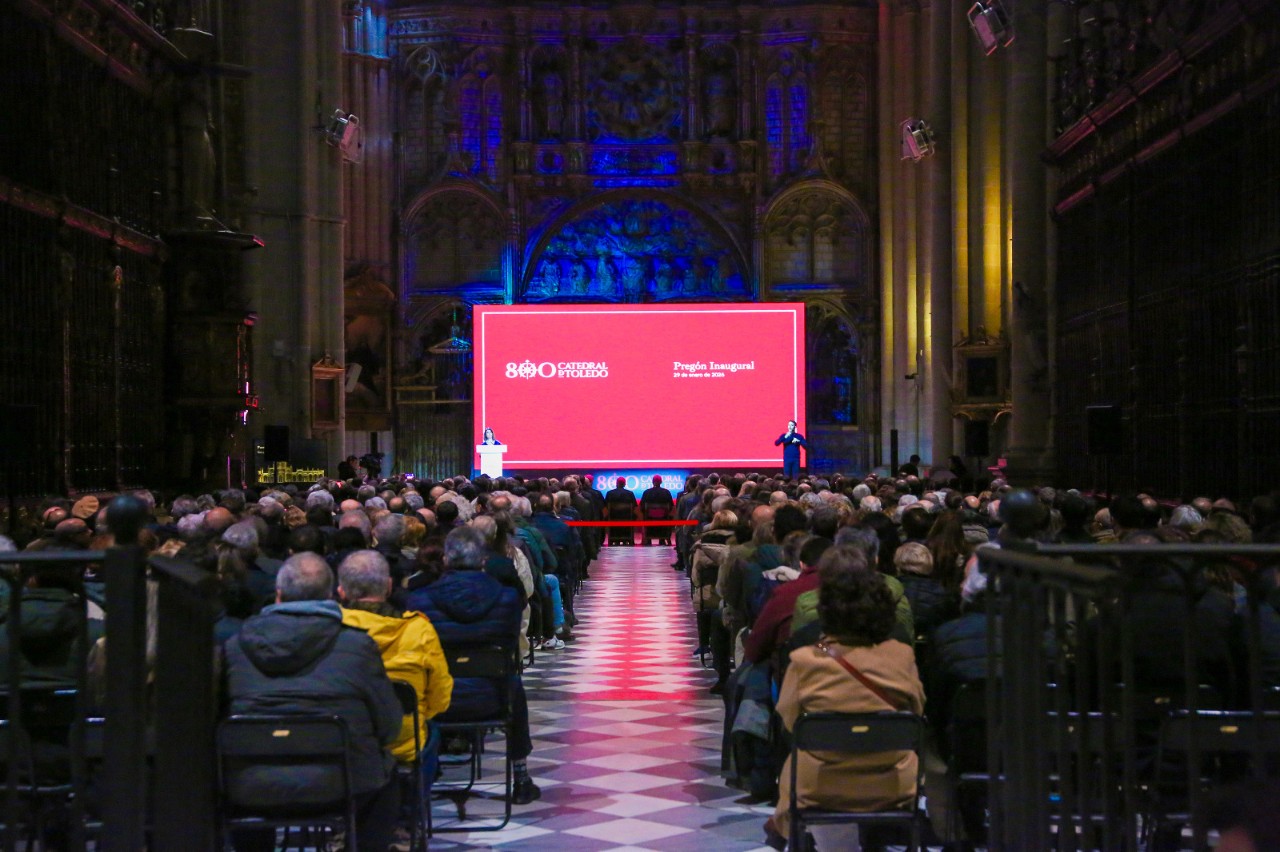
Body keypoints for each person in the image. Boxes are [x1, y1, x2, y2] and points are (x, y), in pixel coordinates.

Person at [224, 552, 403, 852]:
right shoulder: (357, 646)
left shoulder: (235, 646)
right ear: (333, 596)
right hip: (341, 782)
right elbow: (389, 725)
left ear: (278, 596)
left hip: (251, 782)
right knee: (386, 776)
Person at [766, 547, 925, 849]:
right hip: (892, 781)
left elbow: (789, 720)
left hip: (821, 784)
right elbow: (916, 710)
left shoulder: (804, 659)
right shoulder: (901, 654)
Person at [404, 526, 542, 804]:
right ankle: (521, 775)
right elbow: (509, 643)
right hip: (492, 697)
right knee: (513, 683)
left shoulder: (418, 599)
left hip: (434, 701)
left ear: (446, 559)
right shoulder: (507, 598)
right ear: (483, 560)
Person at [337, 550, 453, 765]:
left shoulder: (329, 629)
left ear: (341, 591)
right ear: (389, 586)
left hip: (344, 743)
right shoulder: (419, 630)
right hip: (405, 743)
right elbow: (440, 698)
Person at [640, 474, 675, 547]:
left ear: (652, 482)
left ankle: (648, 539)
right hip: (664, 519)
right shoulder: (666, 492)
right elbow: (671, 506)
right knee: (670, 518)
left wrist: (647, 515)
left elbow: (642, 507)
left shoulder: (646, 492)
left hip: (649, 519)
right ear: (661, 482)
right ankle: (663, 539)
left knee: (645, 518)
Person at [604, 476, 638, 546]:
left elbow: (606, 506)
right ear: (625, 484)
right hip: (627, 518)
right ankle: (628, 538)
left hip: (613, 517)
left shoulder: (610, 493)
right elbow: (634, 506)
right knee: (634, 516)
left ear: (616, 483)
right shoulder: (630, 493)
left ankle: (614, 539)